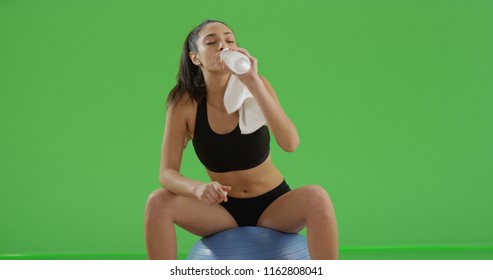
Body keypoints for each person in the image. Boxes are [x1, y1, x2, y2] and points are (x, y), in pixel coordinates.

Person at [145, 19, 338, 260]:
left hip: (273, 205)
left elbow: (290, 143)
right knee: (158, 202)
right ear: (196, 58)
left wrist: (253, 83)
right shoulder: (183, 103)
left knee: (317, 197)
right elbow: (167, 174)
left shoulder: (258, 86)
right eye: (212, 42)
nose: (223, 46)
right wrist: (198, 188)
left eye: (229, 40)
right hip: (223, 211)